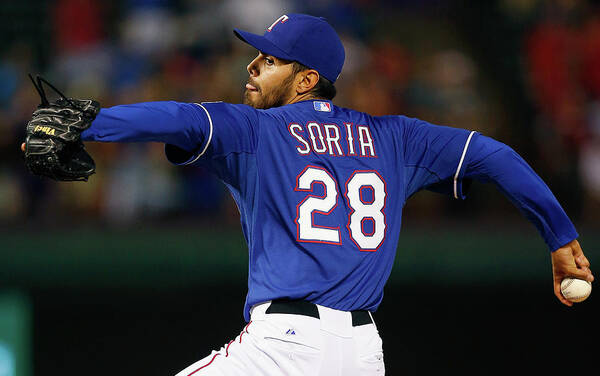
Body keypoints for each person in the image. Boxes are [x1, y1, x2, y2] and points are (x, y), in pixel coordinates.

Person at [22, 13, 594, 376]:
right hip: (364, 354)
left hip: (282, 347)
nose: (251, 65)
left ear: (304, 80)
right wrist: (560, 235)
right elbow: (497, 156)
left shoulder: (256, 130)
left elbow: (178, 118)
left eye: (269, 59)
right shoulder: (396, 137)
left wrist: (90, 122)